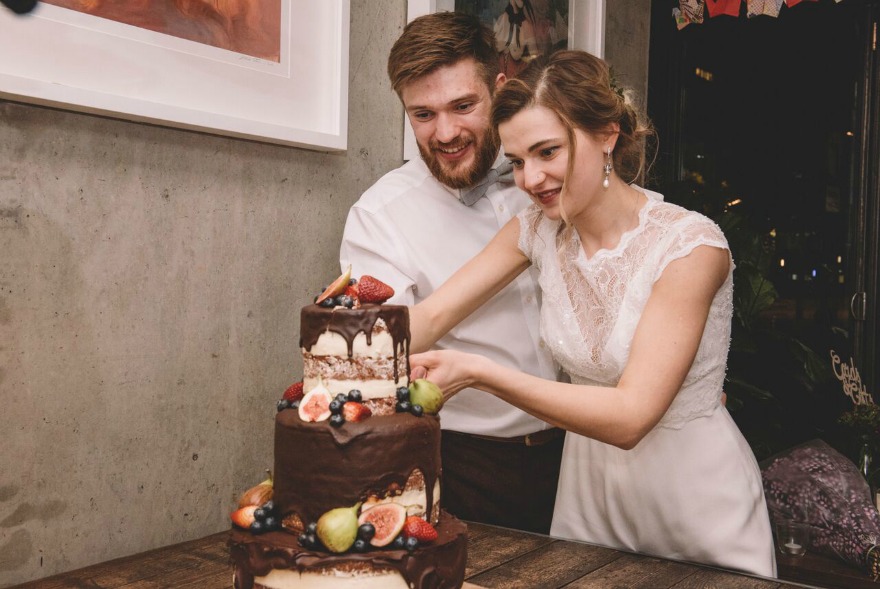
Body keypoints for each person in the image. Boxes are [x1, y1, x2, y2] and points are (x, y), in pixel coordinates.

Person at [408, 50, 777, 577]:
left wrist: (479, 372)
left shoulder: (691, 247)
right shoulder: (534, 232)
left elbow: (630, 417)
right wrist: (346, 334)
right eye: (516, 161)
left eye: (547, 152)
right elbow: (431, 316)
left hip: (696, 507)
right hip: (590, 505)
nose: (531, 179)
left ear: (607, 134)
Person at [339, 12, 564, 534]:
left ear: (501, 90)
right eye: (423, 114)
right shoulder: (380, 216)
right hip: (468, 468)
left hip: (587, 453)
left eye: (464, 106)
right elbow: (380, 363)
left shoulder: (553, 179)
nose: (446, 132)